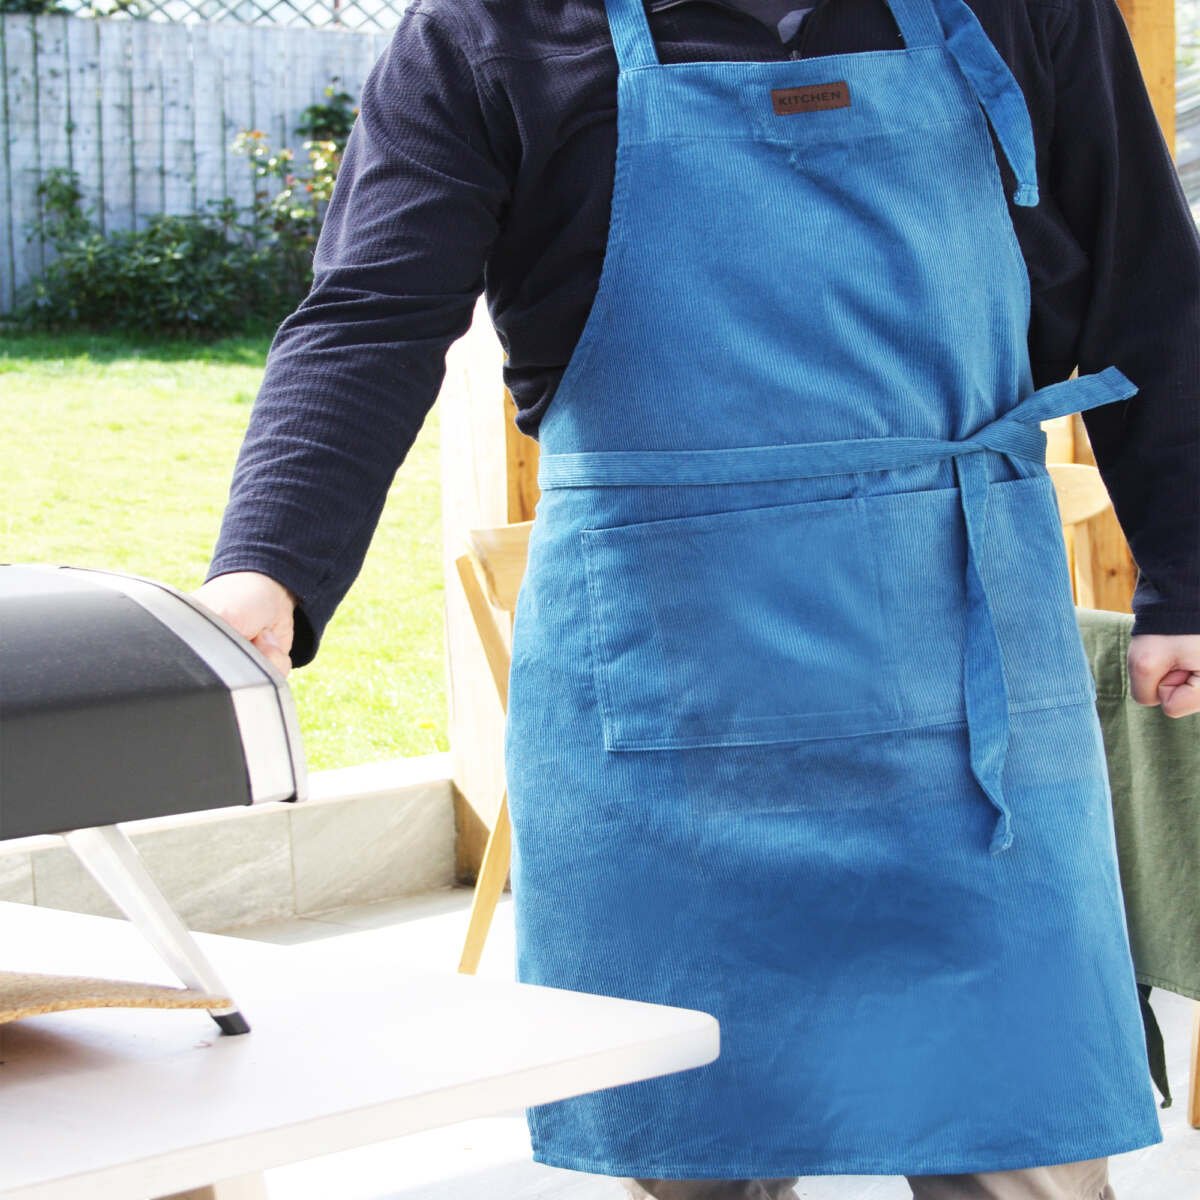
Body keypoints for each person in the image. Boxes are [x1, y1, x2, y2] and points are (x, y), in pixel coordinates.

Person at [194, 0, 1200, 1196]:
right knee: (692, 1151)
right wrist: (270, 565)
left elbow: (1152, 287)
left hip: (970, 710)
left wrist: (1189, 573)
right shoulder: (489, 32)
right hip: (665, 723)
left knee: (1020, 1154)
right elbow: (370, 313)